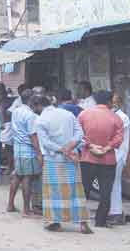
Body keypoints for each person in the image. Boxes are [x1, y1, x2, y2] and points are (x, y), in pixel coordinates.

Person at [34, 95, 93, 234]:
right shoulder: (68, 114)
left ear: (37, 106)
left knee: (53, 192)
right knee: (76, 191)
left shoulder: (41, 120)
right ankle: (83, 223)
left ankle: (55, 222)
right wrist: (70, 147)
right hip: (71, 158)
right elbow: (80, 133)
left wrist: (62, 149)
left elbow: (46, 143)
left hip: (53, 160)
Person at [78, 90, 124, 229]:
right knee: (106, 192)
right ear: (109, 102)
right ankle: (100, 221)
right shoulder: (116, 118)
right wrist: (106, 148)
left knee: (84, 190)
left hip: (87, 158)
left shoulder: (84, 114)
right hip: (108, 160)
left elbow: (78, 134)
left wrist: (89, 145)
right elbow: (119, 138)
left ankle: (81, 220)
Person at [7, 89, 42, 215]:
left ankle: (10, 204)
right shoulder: (30, 115)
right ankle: (26, 209)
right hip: (28, 149)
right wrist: (38, 152)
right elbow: (33, 135)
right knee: (27, 178)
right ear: (31, 100)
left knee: (17, 176)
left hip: (18, 147)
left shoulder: (16, 111)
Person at [109, 93, 130, 225]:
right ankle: (113, 211)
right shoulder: (111, 115)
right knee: (109, 184)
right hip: (111, 154)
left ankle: (116, 213)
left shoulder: (123, 117)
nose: (113, 104)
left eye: (115, 102)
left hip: (119, 154)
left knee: (115, 184)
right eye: (112, 102)